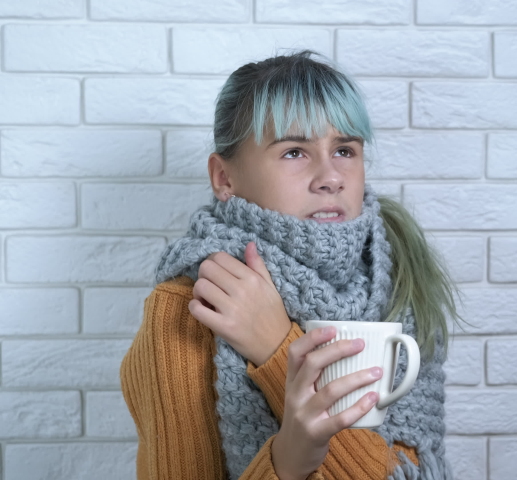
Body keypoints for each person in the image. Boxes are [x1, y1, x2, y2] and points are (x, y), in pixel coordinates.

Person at [120, 50, 460, 480]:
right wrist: (289, 453)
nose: (331, 176)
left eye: (345, 149)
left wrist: (275, 344)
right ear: (224, 178)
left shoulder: (399, 285)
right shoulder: (191, 307)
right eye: (295, 152)